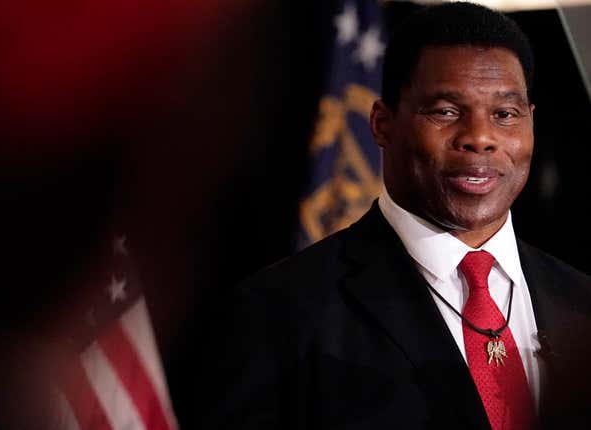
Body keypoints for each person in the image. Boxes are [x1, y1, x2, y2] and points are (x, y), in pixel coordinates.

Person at [191, 2, 591, 429]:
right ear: (382, 124)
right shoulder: (276, 314)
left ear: (530, 124)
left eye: (504, 115)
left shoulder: (582, 304)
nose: (480, 137)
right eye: (446, 112)